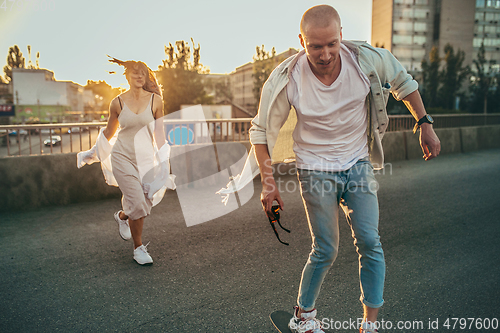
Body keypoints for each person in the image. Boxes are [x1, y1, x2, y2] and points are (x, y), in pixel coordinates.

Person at [251, 5, 440, 333]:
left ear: (341, 36)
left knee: (370, 241)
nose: (324, 55)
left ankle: (369, 326)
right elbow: (259, 132)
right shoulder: (287, 78)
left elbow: (403, 82)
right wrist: (269, 184)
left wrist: (424, 122)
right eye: (315, 46)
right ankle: (303, 317)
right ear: (301, 41)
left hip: (358, 163)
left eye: (331, 44)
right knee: (326, 249)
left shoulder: (365, 59)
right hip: (314, 169)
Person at [77, 57, 175, 265]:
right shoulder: (118, 102)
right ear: (127, 76)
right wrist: (92, 153)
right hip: (122, 157)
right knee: (138, 202)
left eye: (142, 72)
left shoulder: (156, 100)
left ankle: (122, 216)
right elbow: (109, 133)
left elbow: (159, 134)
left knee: (144, 202)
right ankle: (138, 248)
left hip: (145, 158)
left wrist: (164, 160)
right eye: (134, 72)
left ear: (146, 76)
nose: (139, 76)